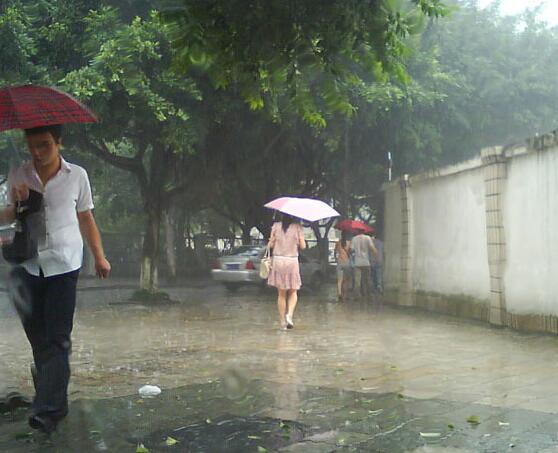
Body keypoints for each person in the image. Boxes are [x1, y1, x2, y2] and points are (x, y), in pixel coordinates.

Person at [0, 124, 111, 433]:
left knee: (58, 339)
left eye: (44, 145)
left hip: (64, 264)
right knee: (39, 339)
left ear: (59, 143)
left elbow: (86, 217)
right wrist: (15, 205)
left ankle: (49, 410)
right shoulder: (19, 174)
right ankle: (48, 388)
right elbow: (7, 216)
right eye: (32, 145)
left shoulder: (77, 176)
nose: (37, 152)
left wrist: (99, 256)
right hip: (28, 266)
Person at [267, 214, 306, 330]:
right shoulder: (297, 228)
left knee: (281, 294)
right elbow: (303, 246)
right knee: (293, 291)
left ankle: (282, 322)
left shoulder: (275, 226)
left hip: (278, 261)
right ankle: (289, 315)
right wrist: (299, 241)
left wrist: (273, 240)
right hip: (291, 261)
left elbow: (270, 245)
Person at [350, 229, 378, 299]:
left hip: (357, 262)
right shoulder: (367, 238)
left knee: (357, 281)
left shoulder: (354, 239)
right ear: (364, 231)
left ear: (357, 231)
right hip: (366, 262)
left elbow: (351, 250)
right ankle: (368, 294)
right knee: (367, 279)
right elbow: (372, 248)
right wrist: (376, 256)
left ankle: (357, 296)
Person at [334, 230, 352, 301]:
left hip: (339, 262)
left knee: (339, 280)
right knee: (346, 280)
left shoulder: (338, 243)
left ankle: (339, 294)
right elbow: (350, 253)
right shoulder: (349, 243)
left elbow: (335, 252)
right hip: (347, 263)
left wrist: (336, 259)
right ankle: (345, 295)